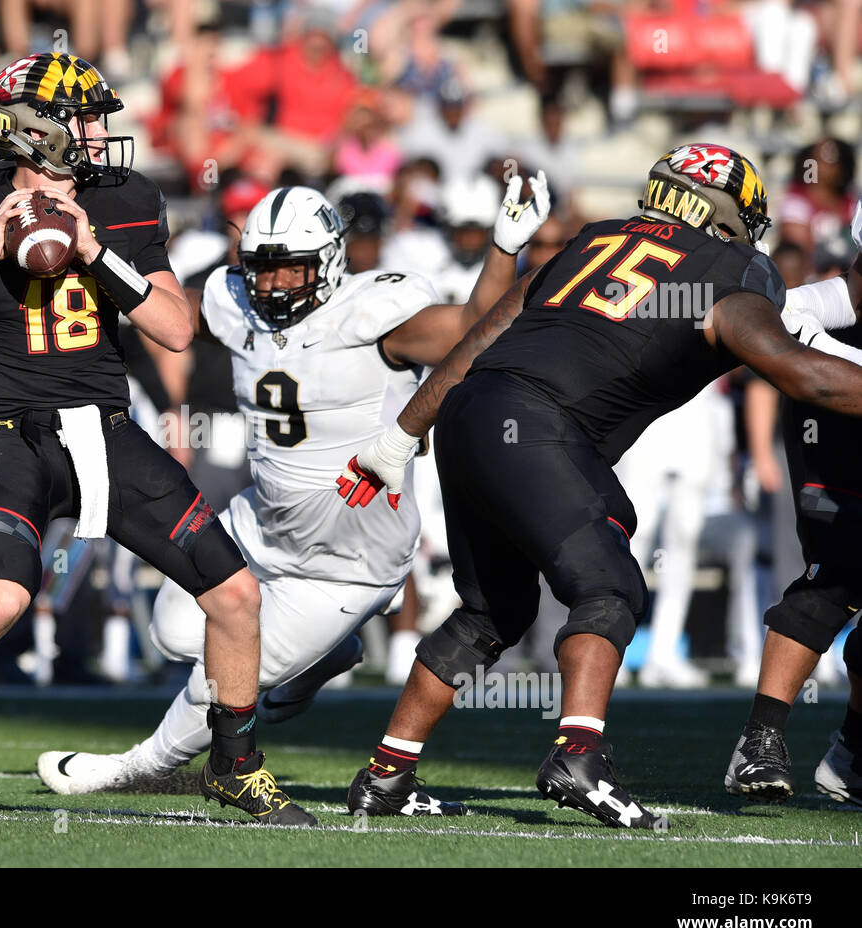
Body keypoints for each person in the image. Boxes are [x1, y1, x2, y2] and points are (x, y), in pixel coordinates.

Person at [0, 52, 313, 827]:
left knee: (236, 593)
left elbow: (177, 331)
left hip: (105, 432)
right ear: (33, 131)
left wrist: (94, 253)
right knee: (2, 598)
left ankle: (236, 763)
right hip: (10, 431)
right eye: (84, 118)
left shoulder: (128, 200)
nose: (99, 132)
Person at [337, 142, 862, 828]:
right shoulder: (731, 269)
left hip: (471, 414)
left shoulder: (592, 240)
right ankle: (578, 752)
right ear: (735, 218)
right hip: (541, 423)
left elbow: (479, 339)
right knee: (610, 583)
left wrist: (400, 434)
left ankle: (386, 774)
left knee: (491, 611)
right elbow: (806, 374)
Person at [36, 175, 550, 809]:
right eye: (263, 270)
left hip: (347, 558)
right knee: (171, 631)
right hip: (263, 524)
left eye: (292, 271)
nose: (274, 286)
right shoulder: (233, 300)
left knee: (221, 680)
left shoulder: (373, 314)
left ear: (330, 261)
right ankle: (315, 662)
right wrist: (89, 258)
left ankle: (135, 767)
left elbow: (476, 327)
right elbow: (167, 317)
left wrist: (503, 249)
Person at [724, 202, 862, 807]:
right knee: (835, 575)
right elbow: (789, 346)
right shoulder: (811, 304)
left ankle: (852, 754)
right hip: (833, 448)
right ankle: (760, 740)